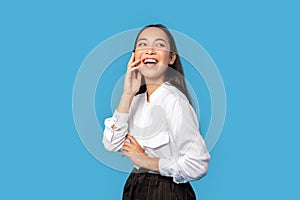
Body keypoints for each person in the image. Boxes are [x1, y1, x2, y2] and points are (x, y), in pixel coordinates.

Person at [102, 24, 210, 200]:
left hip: (166, 191)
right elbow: (111, 143)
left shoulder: (174, 101)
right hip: (135, 187)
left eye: (159, 45)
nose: (150, 50)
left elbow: (198, 164)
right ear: (134, 56)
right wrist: (127, 94)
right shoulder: (135, 100)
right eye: (143, 44)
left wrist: (147, 162)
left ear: (171, 58)